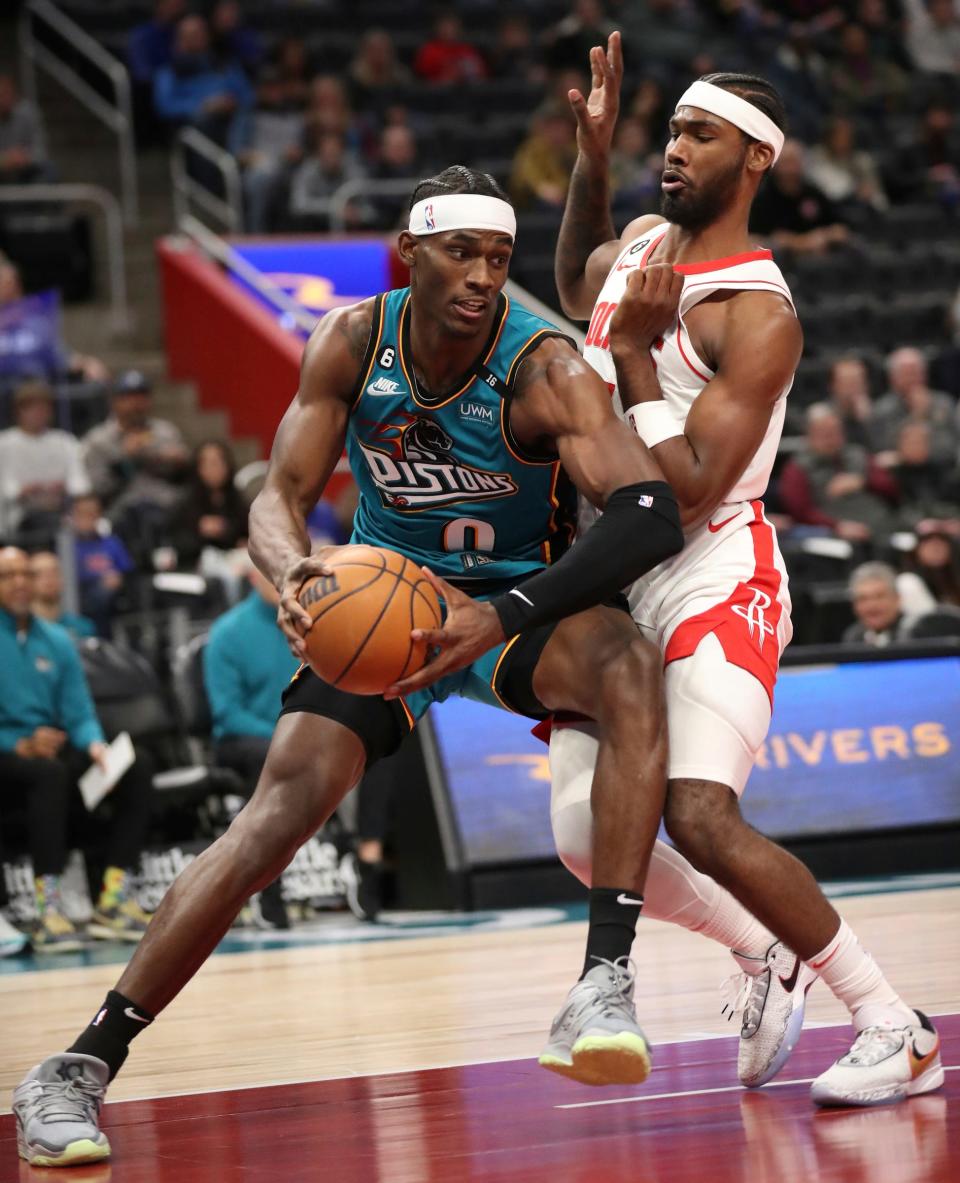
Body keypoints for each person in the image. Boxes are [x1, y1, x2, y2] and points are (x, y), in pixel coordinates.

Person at [12, 164, 692, 1166]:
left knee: (629, 663)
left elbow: (649, 514)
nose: (482, 277)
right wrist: (295, 581)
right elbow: (278, 498)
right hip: (388, 610)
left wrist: (500, 611)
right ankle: (76, 1065)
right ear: (409, 255)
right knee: (273, 819)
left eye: (500, 259)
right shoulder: (349, 340)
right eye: (461, 253)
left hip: (511, 605)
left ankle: (603, 978)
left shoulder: (544, 368)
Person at [546, 36, 941, 1109]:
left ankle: (893, 1024)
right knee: (585, 838)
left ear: (756, 157)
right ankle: (762, 953)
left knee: (701, 817)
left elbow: (682, 488)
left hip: (713, 565)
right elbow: (572, 278)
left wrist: (632, 356)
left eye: (699, 132)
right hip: (615, 578)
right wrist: (591, 159)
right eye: (669, 129)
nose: (673, 148)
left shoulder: (756, 311)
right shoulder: (637, 244)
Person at [0, 548, 154, 953]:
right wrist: (18, 743)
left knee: (135, 766)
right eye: (7, 575)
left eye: (24, 574)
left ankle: (112, 898)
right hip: (9, 754)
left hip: (54, 751)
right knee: (48, 774)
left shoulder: (56, 641)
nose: (18, 583)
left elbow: (79, 710)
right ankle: (47, 910)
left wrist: (95, 744)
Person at [81, 370, 189, 532]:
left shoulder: (165, 432)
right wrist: (125, 461)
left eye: (142, 396)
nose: (137, 404)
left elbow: (184, 480)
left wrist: (178, 464)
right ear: (115, 401)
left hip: (168, 511)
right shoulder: (98, 441)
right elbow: (99, 492)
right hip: (121, 516)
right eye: (129, 397)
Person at [778, 403, 897, 544]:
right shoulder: (797, 469)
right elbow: (800, 511)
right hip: (834, 532)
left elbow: (892, 488)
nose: (831, 438)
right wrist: (836, 526)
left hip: (880, 524)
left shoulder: (858, 455)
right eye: (824, 433)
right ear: (809, 435)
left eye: (835, 431)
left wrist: (862, 481)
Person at [0, 380, 91, 541]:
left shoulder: (65, 441)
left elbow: (80, 483)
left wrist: (65, 487)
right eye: (32, 408)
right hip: (19, 515)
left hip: (61, 510)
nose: (39, 414)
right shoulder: (5, 443)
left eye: (44, 408)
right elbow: (7, 487)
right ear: (19, 411)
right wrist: (25, 490)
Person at [168, 439, 248, 569]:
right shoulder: (185, 502)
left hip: (235, 561)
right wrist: (200, 531)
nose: (214, 469)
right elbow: (176, 542)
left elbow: (245, 533)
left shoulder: (236, 498)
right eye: (208, 464)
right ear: (198, 468)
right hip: (197, 564)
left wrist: (226, 530)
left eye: (218, 462)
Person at [70, 493, 134, 636]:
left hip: (112, 601)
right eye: (83, 513)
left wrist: (118, 578)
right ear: (74, 516)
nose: (88, 518)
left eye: (93, 513)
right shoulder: (69, 546)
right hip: (81, 598)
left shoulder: (111, 542)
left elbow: (127, 571)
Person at [29, 551, 96, 641]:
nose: (49, 578)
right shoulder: (22, 630)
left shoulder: (83, 627)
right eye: (39, 574)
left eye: (55, 572)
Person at [0, 73, 53, 184]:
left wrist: (25, 157)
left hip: (27, 170)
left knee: (49, 170)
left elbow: (41, 151)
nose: (3, 100)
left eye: (6, 94)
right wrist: (6, 159)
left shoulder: (28, 113)